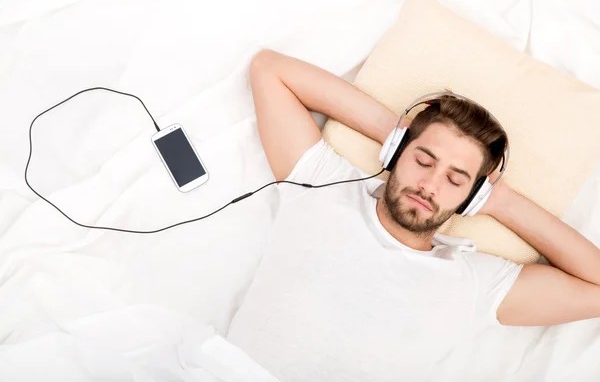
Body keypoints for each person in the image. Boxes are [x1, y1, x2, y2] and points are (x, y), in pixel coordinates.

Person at [226, 49, 600, 379]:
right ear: (396, 153)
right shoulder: (322, 183)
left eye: (456, 179)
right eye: (423, 160)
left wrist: (501, 202)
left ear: (472, 196)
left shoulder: (476, 282)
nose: (430, 185)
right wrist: (392, 134)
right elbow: (269, 69)